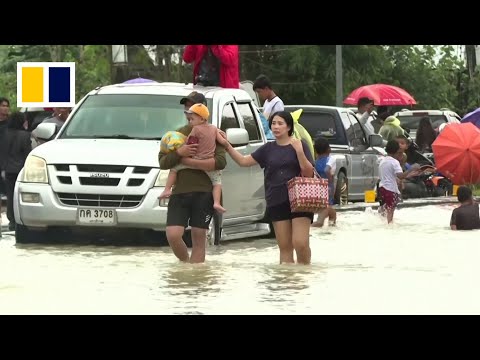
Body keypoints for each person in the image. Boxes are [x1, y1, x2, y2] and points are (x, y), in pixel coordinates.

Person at [217, 111, 315, 265]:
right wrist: (227, 145)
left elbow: (308, 173)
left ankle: (304, 275)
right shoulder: (267, 149)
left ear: (288, 126)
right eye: (273, 123)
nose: (276, 127)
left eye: (280, 123)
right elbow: (243, 161)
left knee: (300, 243)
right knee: (285, 247)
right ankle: (287, 281)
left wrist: (300, 152)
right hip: (276, 199)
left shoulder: (300, 145)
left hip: (299, 199)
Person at [158, 106, 226, 264]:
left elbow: (221, 162)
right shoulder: (176, 135)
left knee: (199, 237)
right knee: (173, 235)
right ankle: (186, 264)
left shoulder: (214, 132)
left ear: (203, 117)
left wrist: (190, 162)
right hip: (179, 192)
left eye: (193, 115)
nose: (190, 118)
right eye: (188, 113)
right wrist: (179, 153)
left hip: (204, 193)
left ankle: (196, 276)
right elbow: (163, 162)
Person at [159, 103, 226, 213]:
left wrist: (180, 151)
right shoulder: (214, 129)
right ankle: (217, 203)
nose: (190, 121)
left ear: (201, 118)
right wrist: (226, 143)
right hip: (207, 163)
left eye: (192, 119)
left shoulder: (194, 130)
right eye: (189, 119)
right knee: (217, 182)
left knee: (174, 169)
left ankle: (166, 190)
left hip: (197, 164)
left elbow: (189, 142)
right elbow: (223, 142)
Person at [378, 140, 420, 224]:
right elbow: (401, 176)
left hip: (381, 188)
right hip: (391, 190)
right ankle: (390, 227)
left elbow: (391, 176)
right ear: (397, 151)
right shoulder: (394, 162)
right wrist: (411, 169)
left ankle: (380, 222)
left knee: (383, 209)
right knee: (390, 211)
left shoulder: (382, 161)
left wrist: (411, 174)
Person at [3, 112, 32, 230]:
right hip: (21, 170)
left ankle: (11, 220)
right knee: (21, 196)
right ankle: (21, 219)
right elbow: (27, 153)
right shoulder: (25, 135)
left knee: (10, 195)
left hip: (8, 170)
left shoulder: (5, 134)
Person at [312, 137, 337, 227]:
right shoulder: (331, 159)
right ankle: (319, 223)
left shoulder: (316, 162)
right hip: (328, 185)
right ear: (328, 149)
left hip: (319, 186)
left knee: (327, 207)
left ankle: (331, 225)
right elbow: (327, 170)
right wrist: (329, 181)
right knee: (328, 205)